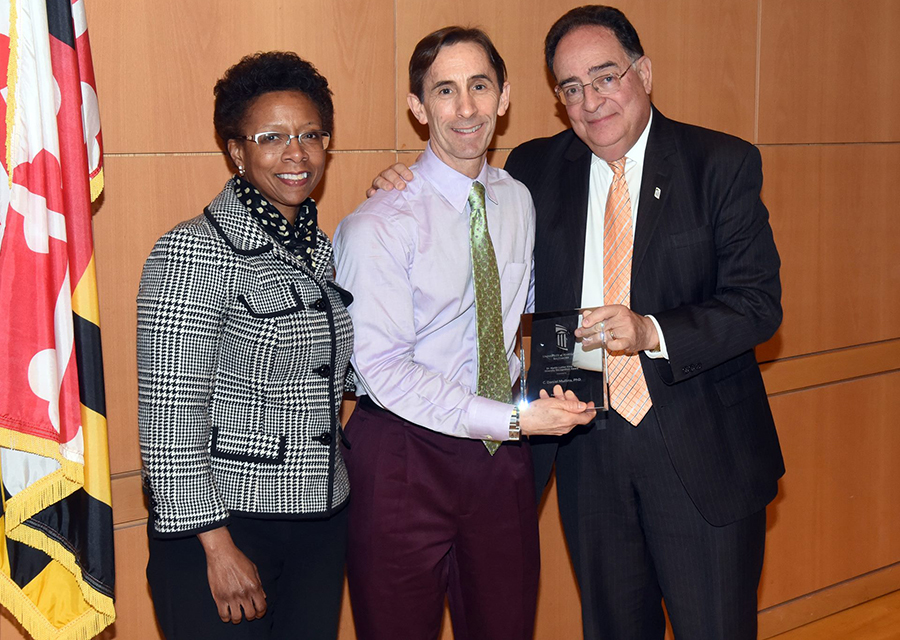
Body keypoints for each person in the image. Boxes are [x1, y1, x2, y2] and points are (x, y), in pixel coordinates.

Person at [369, 6, 785, 640]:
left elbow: (758, 305)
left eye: (606, 76)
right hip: (588, 449)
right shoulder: (534, 172)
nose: (590, 101)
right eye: (570, 87)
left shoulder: (719, 163)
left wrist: (652, 331)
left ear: (643, 72)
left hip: (701, 453)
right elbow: (460, 197)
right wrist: (399, 179)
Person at [333, 26, 594, 640]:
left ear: (504, 97)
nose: (466, 108)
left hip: (501, 463)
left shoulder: (516, 199)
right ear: (418, 108)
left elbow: (524, 305)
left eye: (479, 86)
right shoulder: (378, 225)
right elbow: (383, 368)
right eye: (444, 91)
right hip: (401, 456)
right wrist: (512, 420)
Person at [137, 51, 352, 640]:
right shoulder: (191, 251)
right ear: (236, 150)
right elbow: (169, 416)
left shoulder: (323, 251)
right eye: (273, 136)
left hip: (319, 524)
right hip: (226, 528)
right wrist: (216, 546)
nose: (297, 154)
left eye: (311, 134)